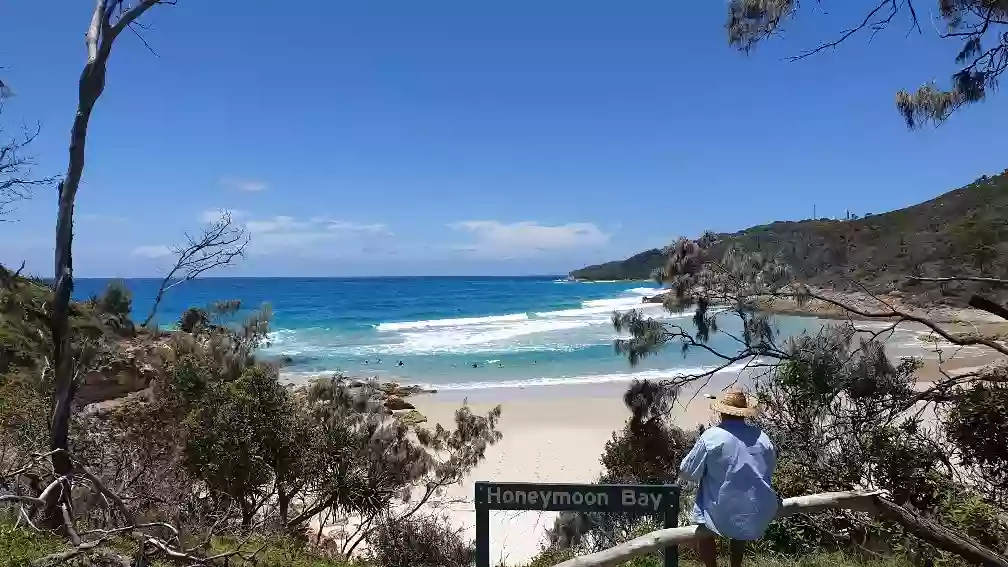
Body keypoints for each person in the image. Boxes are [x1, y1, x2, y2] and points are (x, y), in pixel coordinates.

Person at [679, 389, 779, 567]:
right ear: (744, 414)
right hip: (756, 509)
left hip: (722, 510)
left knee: (704, 507)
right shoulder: (762, 437)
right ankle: (736, 564)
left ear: (722, 412)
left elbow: (686, 471)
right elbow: (770, 468)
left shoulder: (711, 436)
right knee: (741, 493)